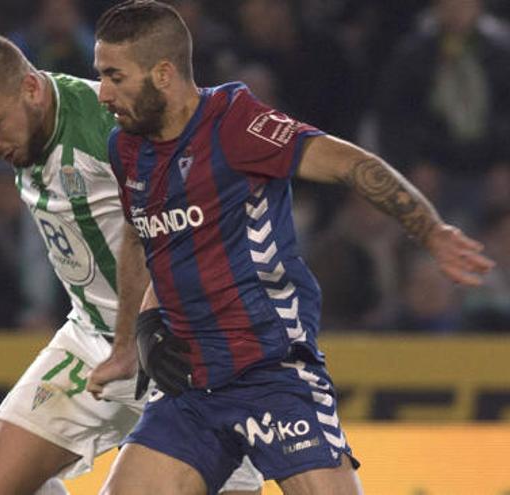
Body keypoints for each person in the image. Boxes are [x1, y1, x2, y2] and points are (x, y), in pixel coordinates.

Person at [86, 2, 495, 494]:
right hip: (191, 388)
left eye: (115, 77)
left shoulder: (235, 124)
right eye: (100, 76)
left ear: (164, 73)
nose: (104, 93)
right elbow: (142, 235)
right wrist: (137, 334)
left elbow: (349, 163)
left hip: (271, 372)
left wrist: (430, 231)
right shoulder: (125, 148)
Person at [0, 33, 263, 495]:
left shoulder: (111, 128)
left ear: (31, 89)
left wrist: (142, 333)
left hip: (179, 348)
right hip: (92, 338)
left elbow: (184, 229)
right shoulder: (27, 124)